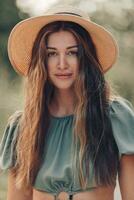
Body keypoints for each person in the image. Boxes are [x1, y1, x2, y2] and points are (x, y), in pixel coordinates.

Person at [0, 4, 134, 200]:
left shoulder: (115, 117)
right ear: (42, 60)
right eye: (52, 53)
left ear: (86, 58)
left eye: (72, 52)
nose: (62, 64)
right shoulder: (22, 128)